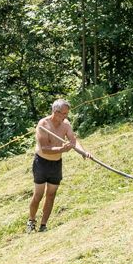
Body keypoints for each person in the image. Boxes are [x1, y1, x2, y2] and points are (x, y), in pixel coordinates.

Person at [29, 97, 78, 232]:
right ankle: (31, 221)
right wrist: (62, 149)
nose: (65, 116)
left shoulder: (66, 124)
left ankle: (43, 225)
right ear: (55, 112)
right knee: (38, 195)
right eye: (63, 113)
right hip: (42, 163)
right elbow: (44, 148)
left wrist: (84, 152)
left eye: (67, 113)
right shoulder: (43, 125)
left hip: (56, 164)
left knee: (51, 195)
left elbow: (73, 140)